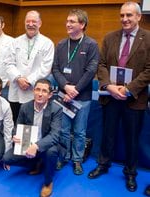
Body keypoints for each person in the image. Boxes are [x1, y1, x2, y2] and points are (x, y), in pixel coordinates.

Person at [88, 1, 150, 192]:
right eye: (122, 15)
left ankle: (130, 173)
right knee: (108, 134)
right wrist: (109, 86)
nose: (125, 19)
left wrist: (128, 89)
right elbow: (102, 65)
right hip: (110, 97)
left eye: (129, 15)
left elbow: (149, 70)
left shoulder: (148, 38)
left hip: (134, 99)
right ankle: (103, 164)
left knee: (132, 139)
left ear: (138, 17)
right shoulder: (109, 38)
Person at [52, 9, 99, 175]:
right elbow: (55, 69)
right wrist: (66, 87)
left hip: (83, 97)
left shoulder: (91, 45)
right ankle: (63, 157)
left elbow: (91, 70)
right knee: (63, 130)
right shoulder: (61, 44)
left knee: (79, 132)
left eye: (72, 21)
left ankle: (77, 160)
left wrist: (75, 90)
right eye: (67, 21)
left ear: (82, 24)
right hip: (62, 96)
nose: (68, 24)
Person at [3, 79, 62, 197]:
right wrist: (15, 136)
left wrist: (36, 146)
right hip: (27, 143)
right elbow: (17, 126)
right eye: (38, 89)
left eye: (44, 91)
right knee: (6, 158)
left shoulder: (56, 109)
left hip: (45, 145)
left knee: (51, 152)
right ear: (33, 91)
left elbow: (55, 135)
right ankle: (36, 163)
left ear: (50, 95)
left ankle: (48, 182)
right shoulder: (25, 107)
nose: (40, 93)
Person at [4, 10, 55, 123]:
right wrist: (19, 78)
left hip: (34, 91)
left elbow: (45, 68)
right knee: (15, 122)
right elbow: (8, 63)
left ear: (40, 23)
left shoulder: (47, 43)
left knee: (31, 125)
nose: (30, 24)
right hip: (16, 90)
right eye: (28, 21)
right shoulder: (15, 42)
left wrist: (28, 81)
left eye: (34, 21)